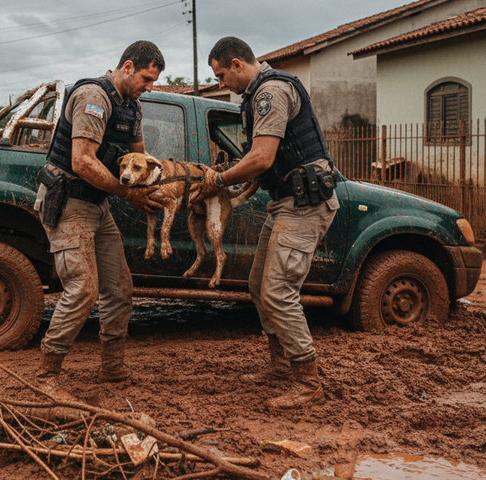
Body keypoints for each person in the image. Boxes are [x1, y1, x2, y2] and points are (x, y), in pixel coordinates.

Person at [195, 36, 340, 409]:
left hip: (304, 205)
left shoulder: (270, 93)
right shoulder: (257, 95)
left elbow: (261, 158)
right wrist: (231, 179)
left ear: (237, 64)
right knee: (260, 285)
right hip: (286, 203)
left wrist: (220, 181)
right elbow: (266, 162)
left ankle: (308, 383)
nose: (222, 83)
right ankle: (281, 367)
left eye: (222, 75)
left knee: (278, 291)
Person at [33, 41, 165, 393]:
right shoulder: (94, 96)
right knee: (83, 289)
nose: (149, 87)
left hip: (97, 204)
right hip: (69, 201)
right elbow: (82, 162)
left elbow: (140, 159)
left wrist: (167, 181)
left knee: (119, 289)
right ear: (127, 67)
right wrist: (127, 193)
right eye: (147, 78)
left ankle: (112, 368)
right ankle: (47, 375)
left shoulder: (131, 107)